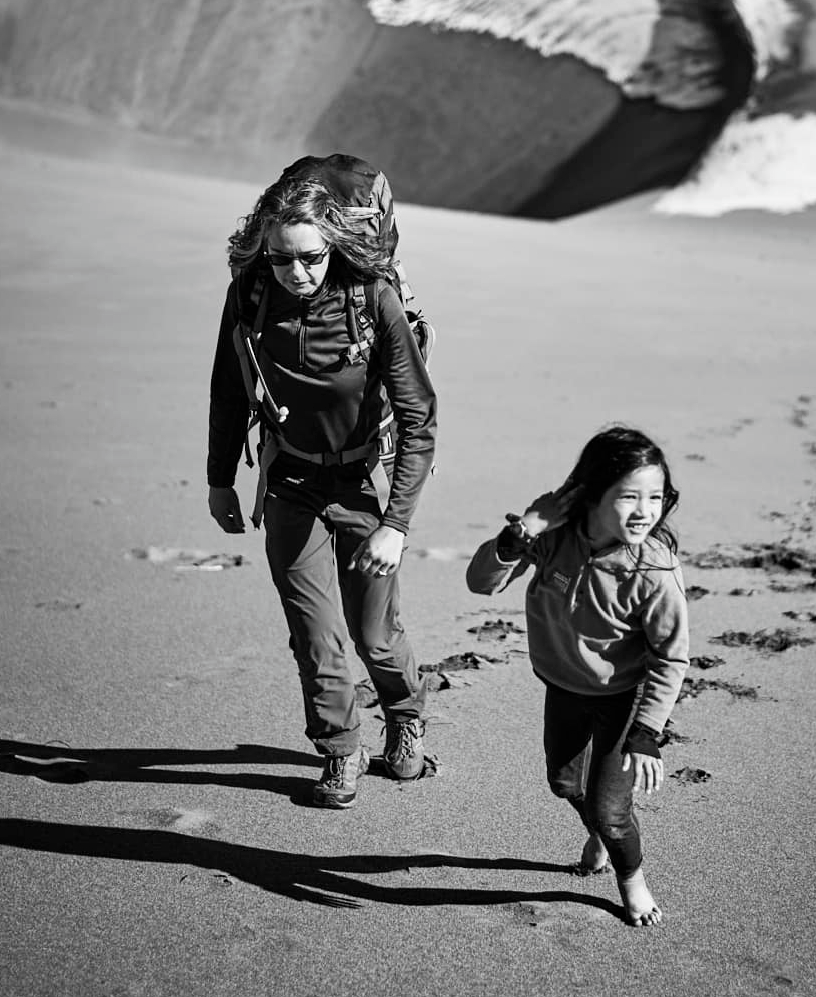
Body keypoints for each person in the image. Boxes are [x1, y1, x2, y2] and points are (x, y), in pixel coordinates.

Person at [206, 174, 437, 809]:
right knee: (315, 635)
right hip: (289, 483)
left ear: (333, 244)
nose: (297, 271)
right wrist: (220, 478)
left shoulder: (372, 298)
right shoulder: (250, 292)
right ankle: (339, 750)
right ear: (265, 252)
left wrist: (397, 523)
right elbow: (228, 387)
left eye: (311, 256)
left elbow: (419, 417)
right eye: (282, 258)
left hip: (362, 483)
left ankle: (405, 714)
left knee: (375, 634)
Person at [465, 426, 689, 926]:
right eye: (628, 497)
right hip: (562, 685)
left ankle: (631, 879)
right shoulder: (555, 539)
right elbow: (481, 583)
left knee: (613, 810)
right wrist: (524, 529)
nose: (645, 511)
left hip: (623, 699)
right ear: (590, 496)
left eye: (655, 497)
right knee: (564, 784)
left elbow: (671, 659)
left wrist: (647, 734)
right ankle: (600, 832)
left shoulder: (653, 569)